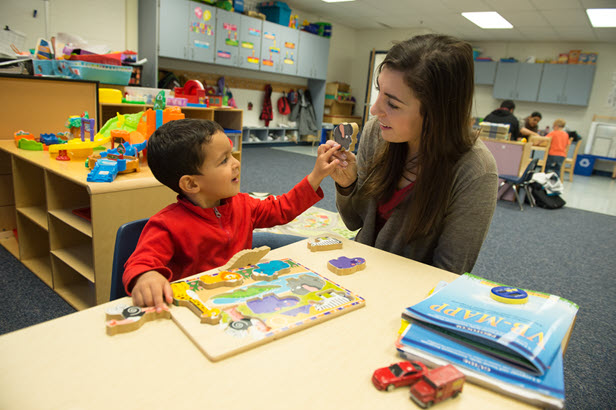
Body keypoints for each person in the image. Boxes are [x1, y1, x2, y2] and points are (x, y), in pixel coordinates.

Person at [320, 34, 498, 275]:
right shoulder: (377, 132)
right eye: (379, 91)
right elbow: (355, 222)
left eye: (392, 104)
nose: (374, 110)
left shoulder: (476, 170)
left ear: (437, 113)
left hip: (406, 293)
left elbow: (447, 273)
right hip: (358, 268)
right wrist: (347, 185)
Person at [124, 118, 339, 310]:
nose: (236, 163)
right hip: (196, 307)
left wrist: (316, 175)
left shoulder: (243, 205)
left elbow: (282, 208)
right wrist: (147, 276)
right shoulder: (166, 225)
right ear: (191, 183)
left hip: (237, 298)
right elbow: (141, 261)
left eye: (231, 154)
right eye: (224, 160)